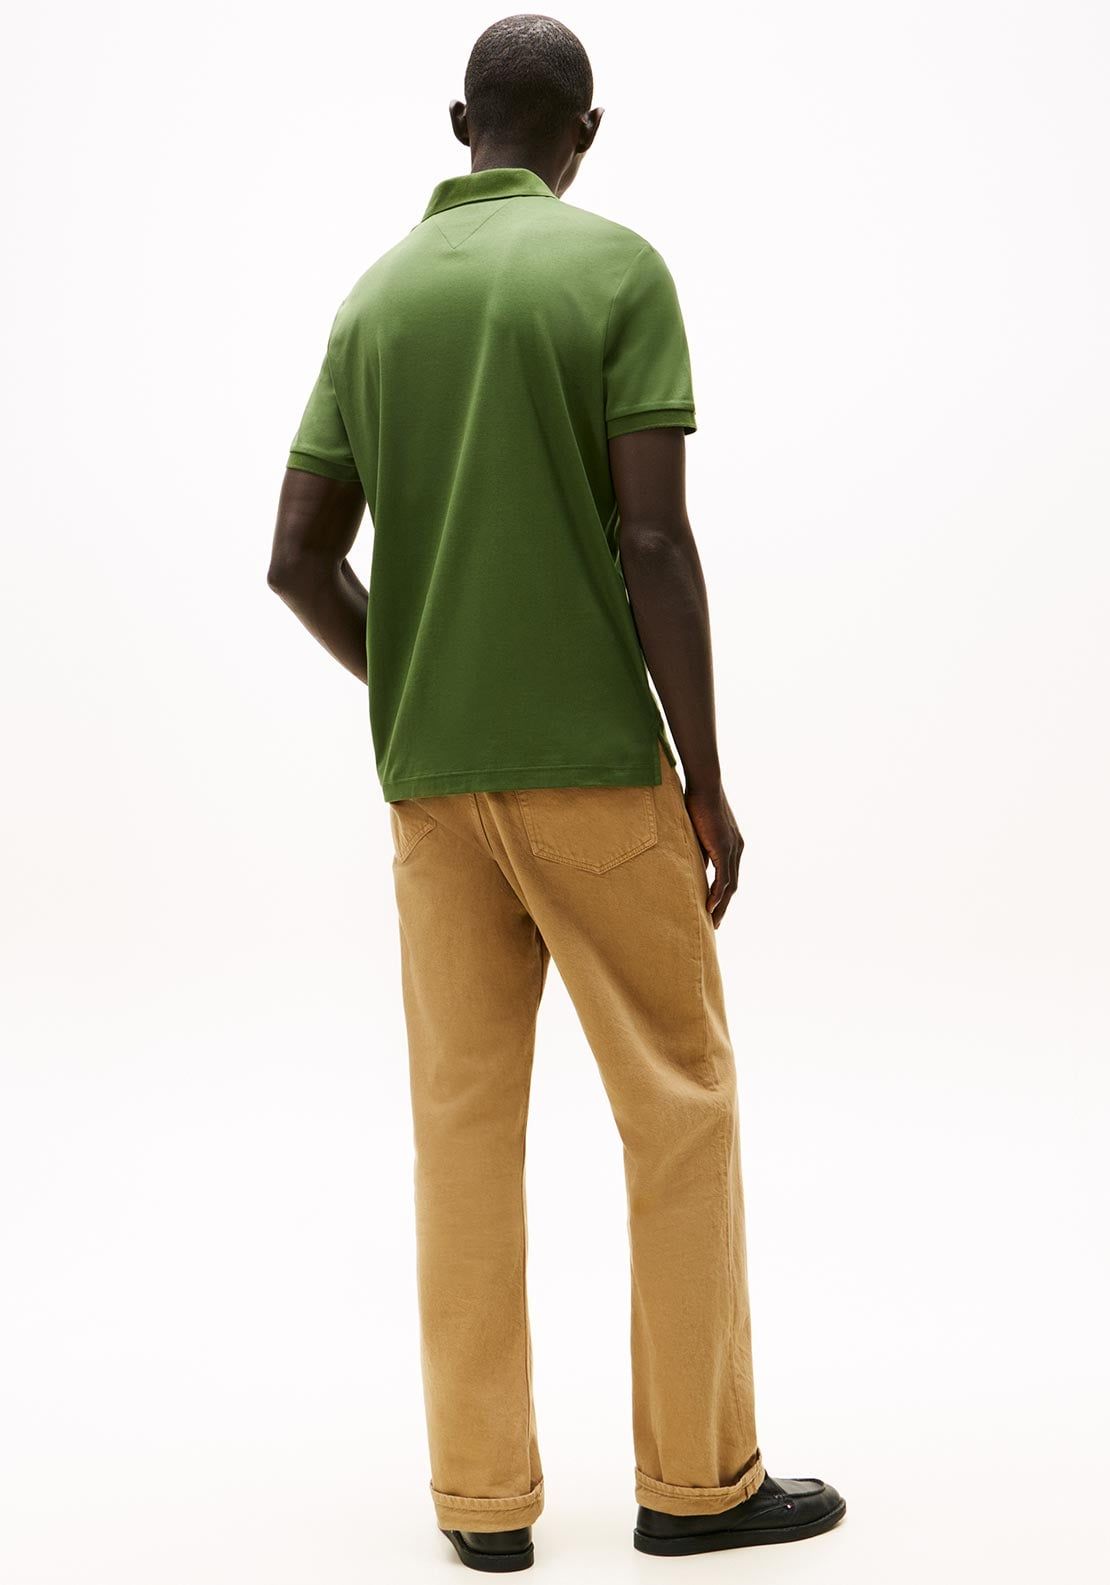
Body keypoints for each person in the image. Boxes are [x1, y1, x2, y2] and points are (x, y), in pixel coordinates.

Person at [268, 13, 844, 1572]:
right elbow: (651, 539)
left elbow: (297, 559)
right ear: (584, 132)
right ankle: (697, 1485)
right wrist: (704, 777)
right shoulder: (612, 270)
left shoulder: (374, 299)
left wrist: (414, 680)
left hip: (433, 793)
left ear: (458, 121)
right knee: (677, 1104)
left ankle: (482, 1504)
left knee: (460, 1131)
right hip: (591, 768)